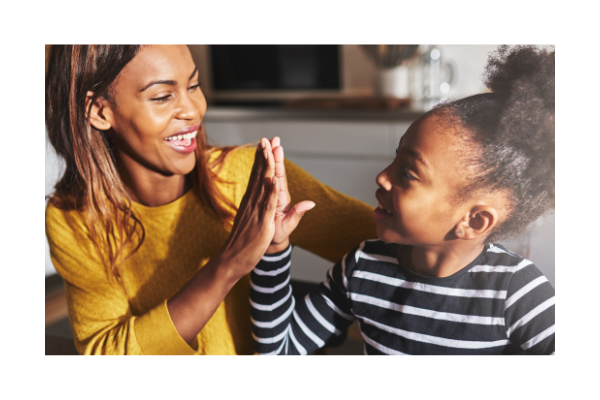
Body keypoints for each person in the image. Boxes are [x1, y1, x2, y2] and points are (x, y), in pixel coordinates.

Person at [44, 44, 377, 356]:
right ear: (99, 111)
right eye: (162, 96)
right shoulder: (72, 218)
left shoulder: (249, 174)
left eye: (193, 85)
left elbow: (397, 243)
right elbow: (106, 349)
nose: (192, 110)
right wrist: (230, 264)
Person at [250, 44, 556, 356]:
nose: (382, 176)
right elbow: (281, 348)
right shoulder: (361, 267)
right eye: (395, 159)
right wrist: (273, 250)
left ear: (473, 221)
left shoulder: (518, 292)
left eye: (408, 173)